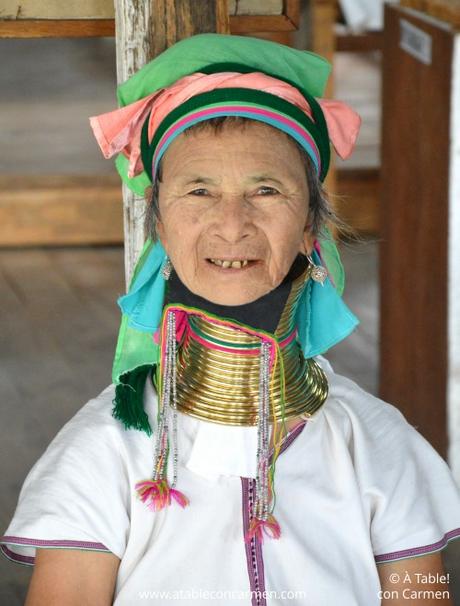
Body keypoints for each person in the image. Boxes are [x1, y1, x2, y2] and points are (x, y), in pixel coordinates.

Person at [1, 33, 460, 606]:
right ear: (161, 228)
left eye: (266, 190)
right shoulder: (106, 451)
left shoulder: (378, 444)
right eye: (199, 191)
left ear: (311, 228)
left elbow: (424, 594)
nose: (232, 224)